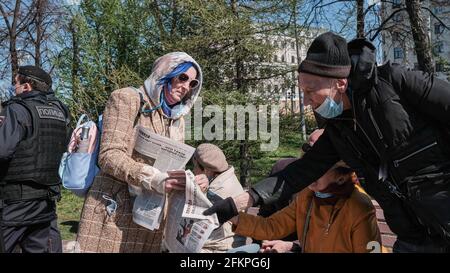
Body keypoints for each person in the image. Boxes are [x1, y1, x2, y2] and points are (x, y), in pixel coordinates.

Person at [205, 32, 450, 253]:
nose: (305, 101)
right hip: (414, 237)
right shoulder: (338, 131)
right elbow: (296, 174)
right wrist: (239, 203)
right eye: (302, 91)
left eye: (310, 91)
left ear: (339, 84)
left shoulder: (394, 83)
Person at [76, 52, 203, 253]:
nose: (186, 86)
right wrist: (152, 177)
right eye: (183, 77)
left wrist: (190, 182)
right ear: (165, 72)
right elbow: (109, 155)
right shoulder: (127, 98)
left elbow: (173, 166)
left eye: (193, 83)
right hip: (114, 212)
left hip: (151, 219)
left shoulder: (178, 119)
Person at [230, 162, 381, 253]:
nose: (310, 173)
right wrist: (232, 216)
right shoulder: (307, 196)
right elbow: (272, 226)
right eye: (308, 166)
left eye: (319, 169)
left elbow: (371, 248)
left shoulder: (358, 206)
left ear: (341, 177)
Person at [0, 66, 69, 253]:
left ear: (27, 86)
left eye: (15, 83)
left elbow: (2, 151)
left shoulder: (16, 110)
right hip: (46, 202)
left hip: (15, 203)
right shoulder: (60, 113)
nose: (13, 88)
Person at [191, 143, 246, 253]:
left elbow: (199, 226)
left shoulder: (218, 190)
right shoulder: (227, 176)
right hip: (227, 243)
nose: (193, 170)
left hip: (219, 248)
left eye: (195, 166)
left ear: (206, 170)